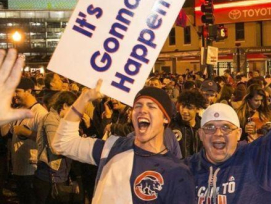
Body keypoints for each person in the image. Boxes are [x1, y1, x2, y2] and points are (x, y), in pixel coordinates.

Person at [185, 37, 271, 203]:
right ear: (200, 134)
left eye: (226, 127)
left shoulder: (259, 160)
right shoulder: (185, 170)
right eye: (210, 127)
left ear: (239, 133)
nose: (218, 133)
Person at [53, 83, 195, 203]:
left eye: (151, 106)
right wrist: (84, 98)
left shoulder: (177, 171)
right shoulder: (112, 147)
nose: (142, 110)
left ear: (165, 118)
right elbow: (62, 143)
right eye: (137, 106)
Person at [0, 49, 33, 126]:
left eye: (17, 91)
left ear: (28, 91)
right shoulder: (16, 109)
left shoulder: (39, 112)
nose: (14, 95)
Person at [170, 89, 206, 158]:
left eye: (189, 108)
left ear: (197, 109)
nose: (184, 111)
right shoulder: (171, 125)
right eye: (182, 106)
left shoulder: (203, 127)